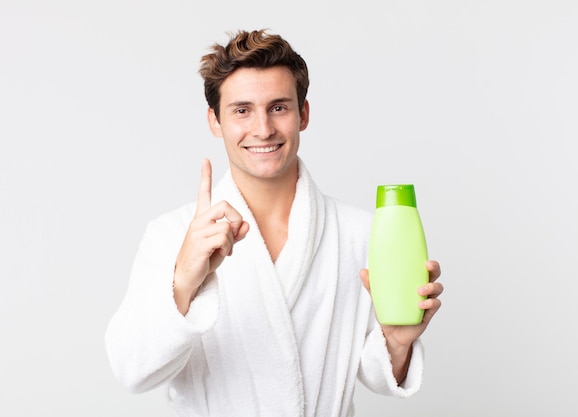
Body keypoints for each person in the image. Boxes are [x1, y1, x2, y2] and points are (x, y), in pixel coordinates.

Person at [105, 29, 443, 417]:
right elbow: (131, 371)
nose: (263, 129)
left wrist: (397, 342)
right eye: (242, 110)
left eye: (278, 107)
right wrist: (183, 281)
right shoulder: (171, 235)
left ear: (304, 114)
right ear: (215, 121)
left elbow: (372, 372)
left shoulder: (359, 233)